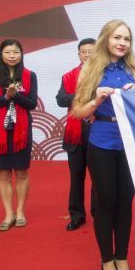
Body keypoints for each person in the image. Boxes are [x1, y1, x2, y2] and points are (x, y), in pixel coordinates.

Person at [72, 20, 135, 270]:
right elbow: (78, 112)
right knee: (106, 204)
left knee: (125, 202)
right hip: (101, 141)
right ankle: (107, 262)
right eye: (117, 37)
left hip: (130, 144)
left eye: (126, 39)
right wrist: (96, 101)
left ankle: (122, 258)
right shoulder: (91, 69)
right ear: (106, 39)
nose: (122, 43)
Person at [0, 39, 37, 231]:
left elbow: (32, 104)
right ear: (1, 54)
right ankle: (8, 213)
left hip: (21, 130)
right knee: (3, 173)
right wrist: (6, 97)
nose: (12, 56)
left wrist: (16, 95)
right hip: (0, 130)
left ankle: (20, 211)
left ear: (21, 54)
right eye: (7, 52)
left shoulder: (30, 75)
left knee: (22, 172)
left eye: (16, 52)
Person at [56, 38, 97, 231]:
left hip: (97, 130)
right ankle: (77, 215)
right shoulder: (68, 76)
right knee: (76, 176)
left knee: (99, 176)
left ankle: (99, 213)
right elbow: (61, 99)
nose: (87, 55)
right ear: (79, 54)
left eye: (91, 51)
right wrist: (81, 96)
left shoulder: (104, 74)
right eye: (83, 51)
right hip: (75, 133)